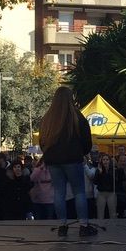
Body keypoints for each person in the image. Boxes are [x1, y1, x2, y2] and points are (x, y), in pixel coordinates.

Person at [38, 86, 96, 237]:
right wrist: (82, 152)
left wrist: (49, 153)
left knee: (58, 192)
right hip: (72, 159)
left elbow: (42, 141)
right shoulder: (76, 116)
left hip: (53, 160)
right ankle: (83, 225)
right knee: (79, 192)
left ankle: (62, 226)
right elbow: (86, 139)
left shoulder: (47, 118)